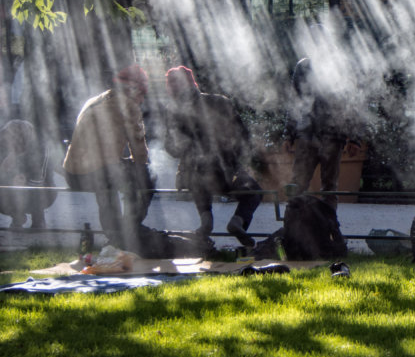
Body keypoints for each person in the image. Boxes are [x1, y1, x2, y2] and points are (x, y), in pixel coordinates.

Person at [63, 64, 159, 253]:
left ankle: (115, 234)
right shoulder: (129, 106)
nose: (142, 100)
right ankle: (128, 229)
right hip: (97, 172)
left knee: (112, 178)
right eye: (142, 93)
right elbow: (139, 151)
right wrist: (143, 169)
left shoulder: (95, 100)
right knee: (146, 179)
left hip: (72, 173)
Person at [163, 66, 262, 247]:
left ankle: (205, 221)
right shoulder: (220, 102)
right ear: (193, 82)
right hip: (225, 172)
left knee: (198, 179)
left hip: (193, 176)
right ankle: (237, 221)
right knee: (254, 193)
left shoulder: (173, 111)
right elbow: (243, 135)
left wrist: (187, 149)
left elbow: (171, 148)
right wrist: (242, 163)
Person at [286, 57, 363, 209]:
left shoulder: (343, 64)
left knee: (328, 187)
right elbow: (295, 100)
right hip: (307, 133)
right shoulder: (303, 65)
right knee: (298, 183)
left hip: (333, 134)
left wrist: (355, 138)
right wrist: (288, 134)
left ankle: (330, 226)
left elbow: (354, 102)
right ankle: (294, 224)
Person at [0, 119, 57, 228]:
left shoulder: (40, 148)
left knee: (38, 190)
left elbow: (42, 178)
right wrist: (4, 171)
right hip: (11, 187)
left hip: (42, 189)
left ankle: (38, 217)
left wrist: (25, 182)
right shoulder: (2, 147)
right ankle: (17, 215)